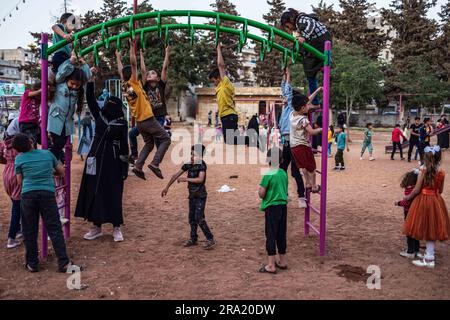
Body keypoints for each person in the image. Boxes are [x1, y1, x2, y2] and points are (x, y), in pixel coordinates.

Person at [75, 69, 129, 243]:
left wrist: (124, 167)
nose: (108, 105)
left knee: (113, 193)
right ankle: (96, 227)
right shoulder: (99, 116)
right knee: (95, 191)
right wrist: (90, 79)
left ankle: (116, 228)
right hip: (95, 160)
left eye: (111, 104)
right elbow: (90, 98)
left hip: (113, 163)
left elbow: (124, 146)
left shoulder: (122, 123)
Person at [13, 133, 78, 273]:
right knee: (54, 228)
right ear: (31, 141)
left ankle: (32, 263)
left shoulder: (19, 159)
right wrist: (48, 174)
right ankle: (64, 263)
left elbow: (19, 181)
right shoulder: (47, 154)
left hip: (28, 195)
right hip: (47, 194)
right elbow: (61, 172)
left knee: (29, 230)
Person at [116, 40, 171, 180]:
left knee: (149, 143)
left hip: (140, 122)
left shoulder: (124, 86)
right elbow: (134, 64)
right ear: (132, 76)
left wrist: (117, 57)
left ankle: (138, 165)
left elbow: (121, 71)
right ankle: (155, 164)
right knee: (166, 139)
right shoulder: (133, 83)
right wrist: (131, 48)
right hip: (148, 119)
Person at [162, 144, 216, 250]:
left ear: (201, 157)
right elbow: (175, 175)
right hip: (192, 196)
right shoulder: (188, 165)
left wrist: (186, 179)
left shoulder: (202, 165)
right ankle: (193, 238)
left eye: (194, 155)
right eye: (191, 154)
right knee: (191, 218)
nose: (191, 157)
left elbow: (200, 179)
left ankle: (210, 239)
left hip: (200, 196)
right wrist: (166, 187)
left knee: (199, 218)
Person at [403, 146, 450, 268]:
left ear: (425, 157)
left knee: (425, 226)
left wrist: (408, 198)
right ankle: (429, 254)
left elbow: (417, 189)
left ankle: (429, 259)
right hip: (436, 200)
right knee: (432, 227)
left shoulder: (423, 170)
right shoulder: (441, 172)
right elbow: (440, 190)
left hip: (423, 200)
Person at [280, 8, 332, 106]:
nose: (289, 28)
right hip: (318, 42)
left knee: (309, 70)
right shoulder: (299, 26)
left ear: (291, 20)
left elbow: (311, 24)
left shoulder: (302, 19)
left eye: (287, 26)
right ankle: (315, 101)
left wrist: (304, 36)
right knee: (309, 72)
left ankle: (315, 102)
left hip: (321, 41)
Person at [48, 53, 91, 162]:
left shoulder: (77, 90)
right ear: (67, 80)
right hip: (56, 119)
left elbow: (87, 76)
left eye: (77, 85)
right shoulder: (60, 84)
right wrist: (71, 62)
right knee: (57, 145)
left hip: (67, 122)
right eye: (72, 83)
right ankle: (49, 160)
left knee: (59, 145)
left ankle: (53, 162)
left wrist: (84, 63)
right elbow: (61, 74)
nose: (75, 86)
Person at [278, 68, 306, 208]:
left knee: (295, 172)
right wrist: (284, 77)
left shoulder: (291, 108)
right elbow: (283, 89)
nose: (282, 97)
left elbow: (287, 91)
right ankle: (284, 194)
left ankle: (301, 197)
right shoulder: (285, 109)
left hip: (294, 144)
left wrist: (288, 75)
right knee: (281, 170)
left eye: (285, 96)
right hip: (286, 144)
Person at [258, 147, 288, 274]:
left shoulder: (268, 174)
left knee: (271, 235)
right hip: (283, 207)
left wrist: (259, 191)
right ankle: (282, 261)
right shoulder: (283, 173)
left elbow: (262, 194)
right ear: (281, 160)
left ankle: (271, 265)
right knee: (281, 234)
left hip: (272, 208)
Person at [290, 93, 322, 193]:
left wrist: (318, 90)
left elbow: (306, 100)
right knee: (312, 167)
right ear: (303, 108)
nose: (310, 106)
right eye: (308, 105)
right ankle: (314, 186)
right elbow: (312, 132)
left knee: (303, 166)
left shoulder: (292, 114)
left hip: (294, 146)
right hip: (302, 146)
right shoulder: (303, 119)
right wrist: (323, 129)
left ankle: (307, 183)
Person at [208, 43, 238, 145]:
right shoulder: (219, 88)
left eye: (213, 81)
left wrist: (218, 49)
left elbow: (221, 65)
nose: (214, 84)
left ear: (218, 78)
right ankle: (251, 140)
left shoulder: (225, 83)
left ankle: (252, 139)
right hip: (225, 116)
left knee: (231, 140)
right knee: (230, 141)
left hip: (229, 116)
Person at [0, 121, 22, 249]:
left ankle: (18, 230)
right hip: (16, 173)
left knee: (15, 203)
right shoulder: (20, 144)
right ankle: (11, 238)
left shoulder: (6, 143)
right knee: (17, 207)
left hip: (7, 174)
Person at [140, 45, 170, 128]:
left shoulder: (160, 85)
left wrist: (167, 52)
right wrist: (141, 56)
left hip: (160, 117)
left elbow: (164, 68)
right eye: (148, 73)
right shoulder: (146, 86)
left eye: (153, 73)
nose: (149, 74)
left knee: (157, 136)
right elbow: (143, 71)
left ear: (158, 78)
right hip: (149, 116)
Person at [396, 169, 420, 258]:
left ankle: (410, 251)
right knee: (415, 231)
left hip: (409, 212)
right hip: (416, 211)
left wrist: (398, 203)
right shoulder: (417, 188)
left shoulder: (409, 189)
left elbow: (407, 202)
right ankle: (416, 250)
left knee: (409, 231)